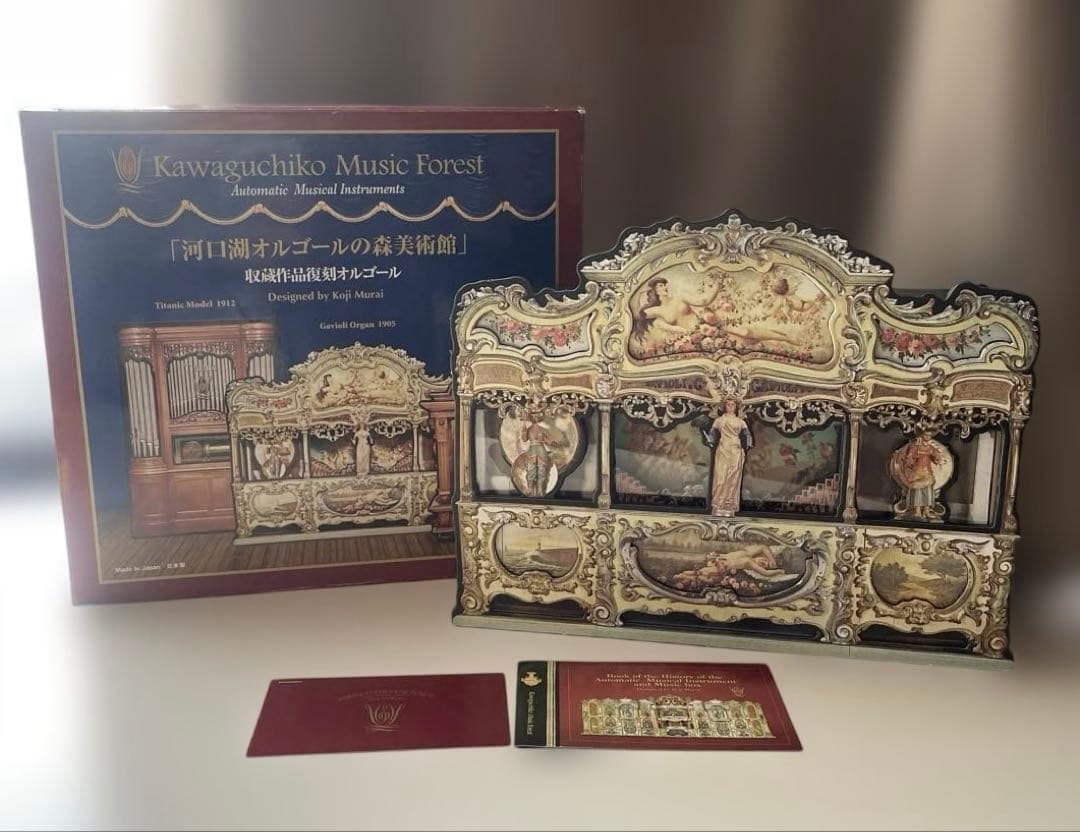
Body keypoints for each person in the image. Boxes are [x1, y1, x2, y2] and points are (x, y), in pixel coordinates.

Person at [705, 398, 753, 516]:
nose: (730, 406)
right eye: (728, 404)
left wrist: (748, 443)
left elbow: (747, 434)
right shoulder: (719, 420)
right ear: (724, 406)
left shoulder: (740, 421)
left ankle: (729, 503)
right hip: (723, 449)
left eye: (733, 405)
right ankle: (718, 503)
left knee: (733, 477)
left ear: (736, 407)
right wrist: (710, 440)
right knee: (720, 477)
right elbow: (712, 433)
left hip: (735, 449)